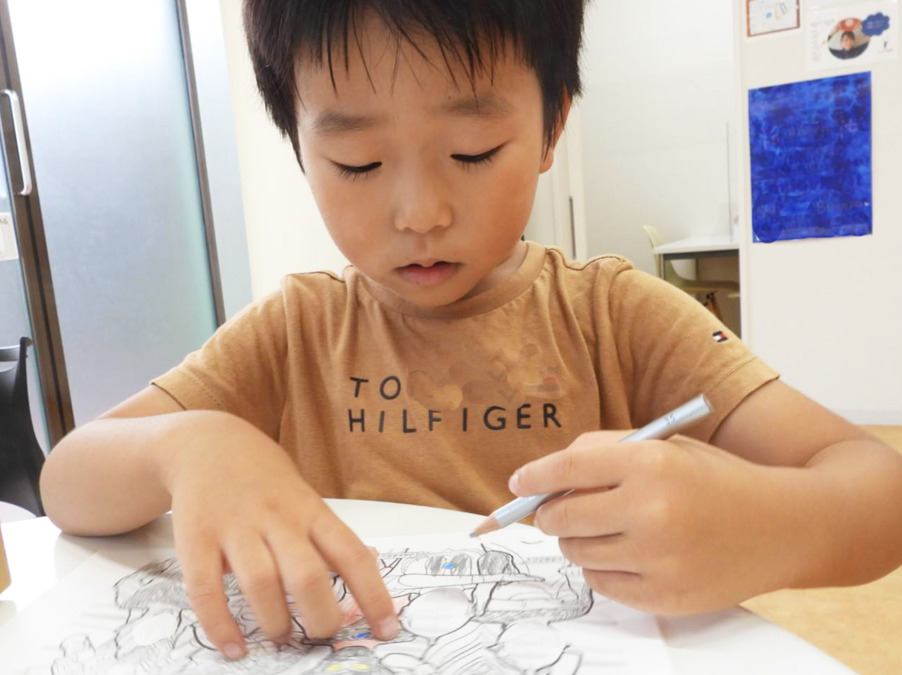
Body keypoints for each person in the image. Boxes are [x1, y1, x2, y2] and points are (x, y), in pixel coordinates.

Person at [40, 0, 902, 664]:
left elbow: (878, 490)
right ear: (299, 148)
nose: (420, 213)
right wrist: (190, 445)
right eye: (358, 163)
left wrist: (764, 525)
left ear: (552, 126)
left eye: (474, 151)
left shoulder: (617, 317)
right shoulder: (295, 331)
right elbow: (67, 480)